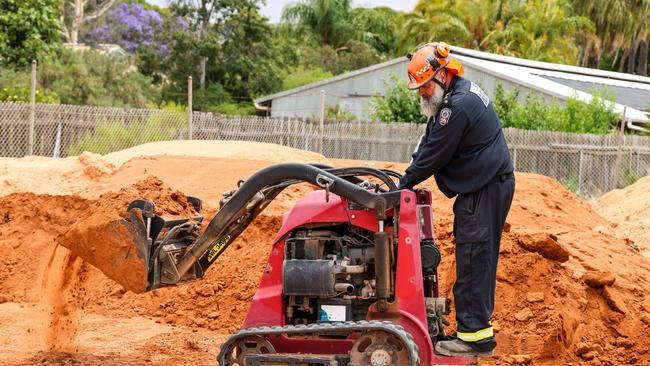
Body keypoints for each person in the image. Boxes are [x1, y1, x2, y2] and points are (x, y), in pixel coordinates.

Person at [398, 42, 515, 357]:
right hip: (486, 185)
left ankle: (474, 338)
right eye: (418, 88)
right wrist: (404, 177)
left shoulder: (457, 106)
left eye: (424, 87)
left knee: (474, 260)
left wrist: (401, 185)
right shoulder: (457, 95)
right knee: (478, 258)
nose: (421, 93)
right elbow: (429, 142)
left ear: (441, 75)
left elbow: (433, 155)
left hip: (484, 188)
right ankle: (474, 331)